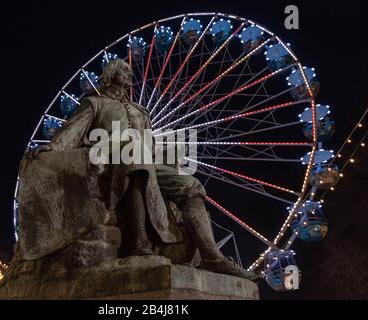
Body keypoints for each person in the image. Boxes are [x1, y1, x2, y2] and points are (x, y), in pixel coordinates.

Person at [29, 59, 259, 280]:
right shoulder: (95, 104)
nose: (130, 74)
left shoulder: (141, 111)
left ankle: (212, 256)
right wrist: (52, 146)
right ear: (110, 75)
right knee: (135, 154)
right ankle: (139, 241)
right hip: (111, 159)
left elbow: (151, 145)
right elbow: (73, 130)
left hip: (147, 160)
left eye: (130, 71)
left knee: (191, 185)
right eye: (124, 70)